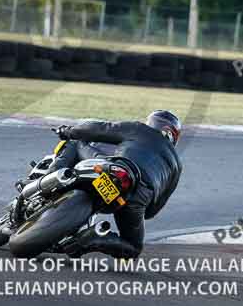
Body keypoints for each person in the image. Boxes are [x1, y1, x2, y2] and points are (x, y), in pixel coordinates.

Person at [50, 110, 183, 259]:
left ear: (151, 123)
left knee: (76, 140)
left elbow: (101, 129)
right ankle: (93, 239)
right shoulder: (177, 165)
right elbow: (152, 211)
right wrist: (136, 207)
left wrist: (67, 131)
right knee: (133, 248)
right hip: (134, 198)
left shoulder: (140, 130)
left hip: (113, 171)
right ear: (174, 137)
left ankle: (52, 178)